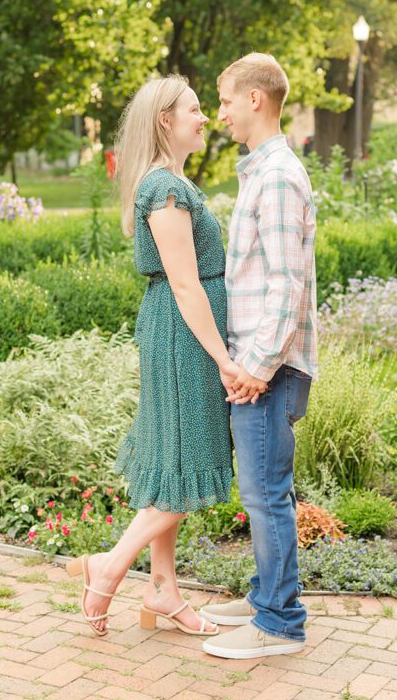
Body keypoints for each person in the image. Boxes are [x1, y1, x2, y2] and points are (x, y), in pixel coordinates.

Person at [65, 74, 257, 637]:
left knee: (174, 461)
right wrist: (224, 359)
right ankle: (109, 569)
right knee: (183, 465)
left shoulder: (171, 182)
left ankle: (163, 589)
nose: (205, 118)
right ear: (165, 121)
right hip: (184, 335)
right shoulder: (164, 189)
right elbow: (185, 285)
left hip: (179, 331)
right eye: (195, 109)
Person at [200, 53, 318, 660]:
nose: (218, 112)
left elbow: (286, 284)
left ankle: (279, 624)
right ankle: (265, 596)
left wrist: (257, 367)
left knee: (266, 493)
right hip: (259, 365)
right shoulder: (264, 170)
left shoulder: (275, 176)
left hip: (265, 369)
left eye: (223, 100)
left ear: (255, 99)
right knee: (264, 491)